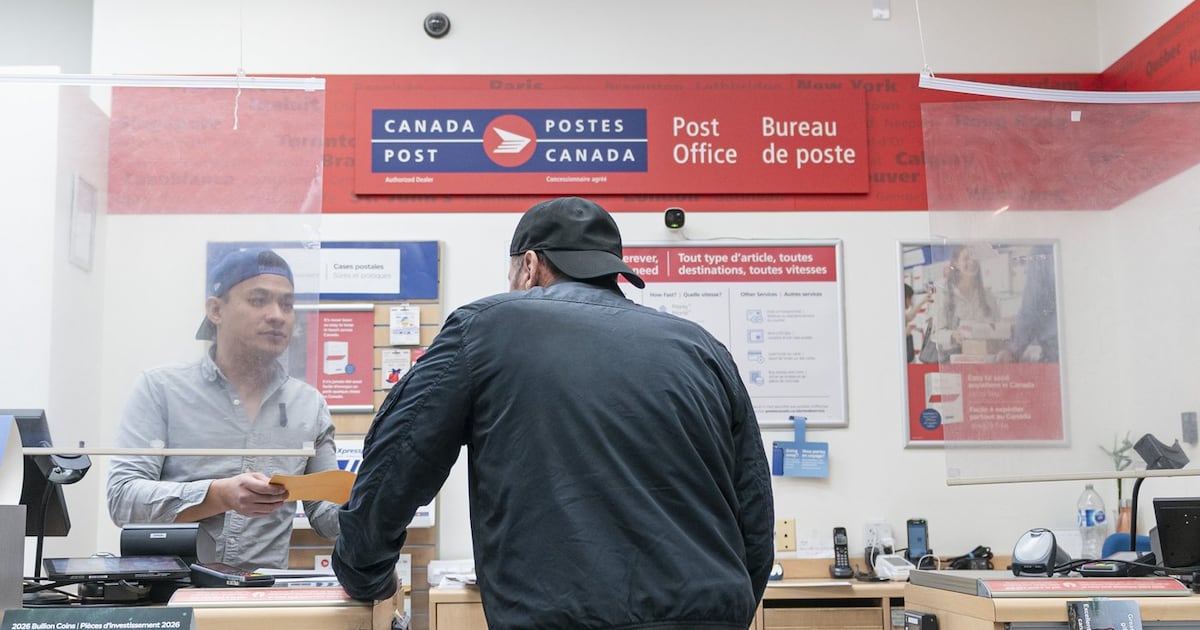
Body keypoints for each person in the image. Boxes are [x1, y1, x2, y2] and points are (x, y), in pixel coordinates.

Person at [333, 197, 774, 630]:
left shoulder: (484, 328)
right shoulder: (702, 348)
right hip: (713, 613)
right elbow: (754, 510)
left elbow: (398, 458)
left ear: (529, 266)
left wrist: (364, 572)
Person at [107, 247, 340, 570]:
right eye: (258, 300)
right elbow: (122, 499)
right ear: (216, 310)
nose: (277, 315)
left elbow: (326, 516)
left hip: (262, 595)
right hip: (172, 591)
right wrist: (218, 495)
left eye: (287, 305)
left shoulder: (309, 404)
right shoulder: (160, 388)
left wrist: (378, 503)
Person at [926, 245, 1000, 362]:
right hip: (955, 361)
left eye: (974, 257)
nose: (972, 261)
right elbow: (936, 334)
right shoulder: (945, 294)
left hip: (985, 360)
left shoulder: (987, 295)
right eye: (966, 258)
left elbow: (997, 327)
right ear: (956, 263)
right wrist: (953, 336)